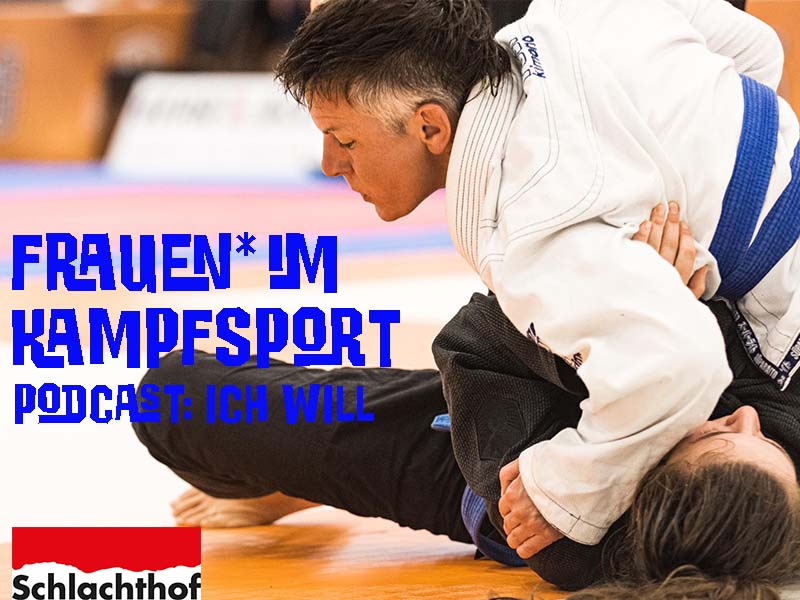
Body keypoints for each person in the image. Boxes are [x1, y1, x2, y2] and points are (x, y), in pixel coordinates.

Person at [275, 0, 800, 554]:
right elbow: (757, 51)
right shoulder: (570, 16)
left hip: (779, 350)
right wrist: (708, 168)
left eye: (345, 138)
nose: (330, 163)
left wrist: (561, 494)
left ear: (430, 125)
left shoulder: (533, 231)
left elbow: (683, 368)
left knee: (570, 544)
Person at [133, 213, 800, 595]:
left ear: (636, 483)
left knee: (176, 398)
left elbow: (476, 337)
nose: (744, 419)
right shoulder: (780, 446)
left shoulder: (568, 538)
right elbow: (746, 393)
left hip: (481, 446)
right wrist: (660, 306)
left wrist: (621, 311)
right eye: (759, 438)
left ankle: (301, 485)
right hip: (562, 396)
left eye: (709, 434)